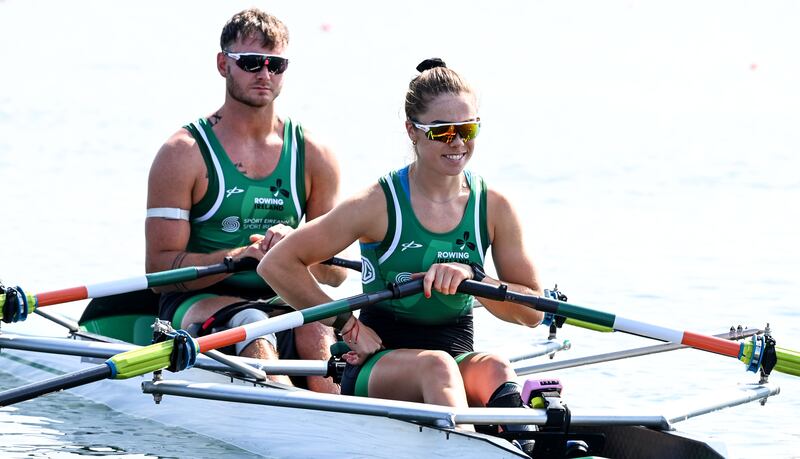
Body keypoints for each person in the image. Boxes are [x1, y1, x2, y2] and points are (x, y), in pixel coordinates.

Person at [259, 58, 544, 434]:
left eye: (468, 128)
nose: (458, 142)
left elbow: (532, 312)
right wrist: (346, 324)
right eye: (442, 131)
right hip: (377, 363)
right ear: (412, 130)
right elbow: (277, 264)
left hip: (456, 354)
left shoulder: (494, 207)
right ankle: (471, 446)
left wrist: (475, 278)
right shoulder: (376, 204)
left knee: (495, 367)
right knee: (437, 365)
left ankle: (530, 445)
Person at [145, 8, 345, 393]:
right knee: (253, 321)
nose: (265, 74)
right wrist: (237, 258)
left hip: (282, 296)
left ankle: (339, 419)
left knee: (321, 323)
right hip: (197, 302)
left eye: (276, 64)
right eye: (252, 62)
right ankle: (289, 411)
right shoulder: (183, 153)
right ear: (224, 64)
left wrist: (300, 248)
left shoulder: (314, 155)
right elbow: (159, 272)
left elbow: (335, 274)